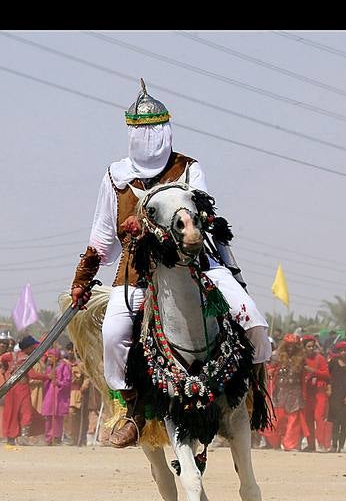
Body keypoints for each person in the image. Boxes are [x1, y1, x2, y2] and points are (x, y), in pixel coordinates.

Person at [68, 81, 270, 448]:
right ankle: (133, 409)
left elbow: (208, 218)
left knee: (253, 319)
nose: (148, 136)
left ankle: (252, 390)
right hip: (136, 273)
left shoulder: (189, 169)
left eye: (154, 129)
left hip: (198, 267)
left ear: (167, 129)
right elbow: (101, 236)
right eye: (140, 130)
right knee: (114, 333)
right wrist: (83, 279)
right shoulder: (116, 177)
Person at [0, 335, 37, 445]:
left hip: (11, 388)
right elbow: (32, 375)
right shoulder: (26, 359)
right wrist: (48, 376)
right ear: (29, 347)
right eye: (33, 347)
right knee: (26, 412)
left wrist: (5, 369)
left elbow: (3, 359)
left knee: (11, 412)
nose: (34, 349)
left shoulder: (11, 355)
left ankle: (11, 437)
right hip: (22, 388)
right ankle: (23, 438)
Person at [301, 336, 331, 451]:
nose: (311, 348)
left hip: (319, 392)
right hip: (307, 393)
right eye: (309, 346)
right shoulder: (301, 359)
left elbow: (327, 374)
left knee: (319, 417)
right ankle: (311, 444)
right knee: (308, 419)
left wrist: (313, 372)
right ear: (304, 348)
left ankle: (321, 444)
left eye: (313, 346)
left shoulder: (320, 358)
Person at [326, 341, 346, 453]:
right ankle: (333, 445)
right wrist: (328, 388)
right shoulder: (333, 363)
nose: (343, 352)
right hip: (335, 396)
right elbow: (327, 376)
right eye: (341, 350)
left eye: (345, 350)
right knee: (335, 422)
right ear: (338, 352)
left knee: (344, 423)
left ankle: (341, 446)